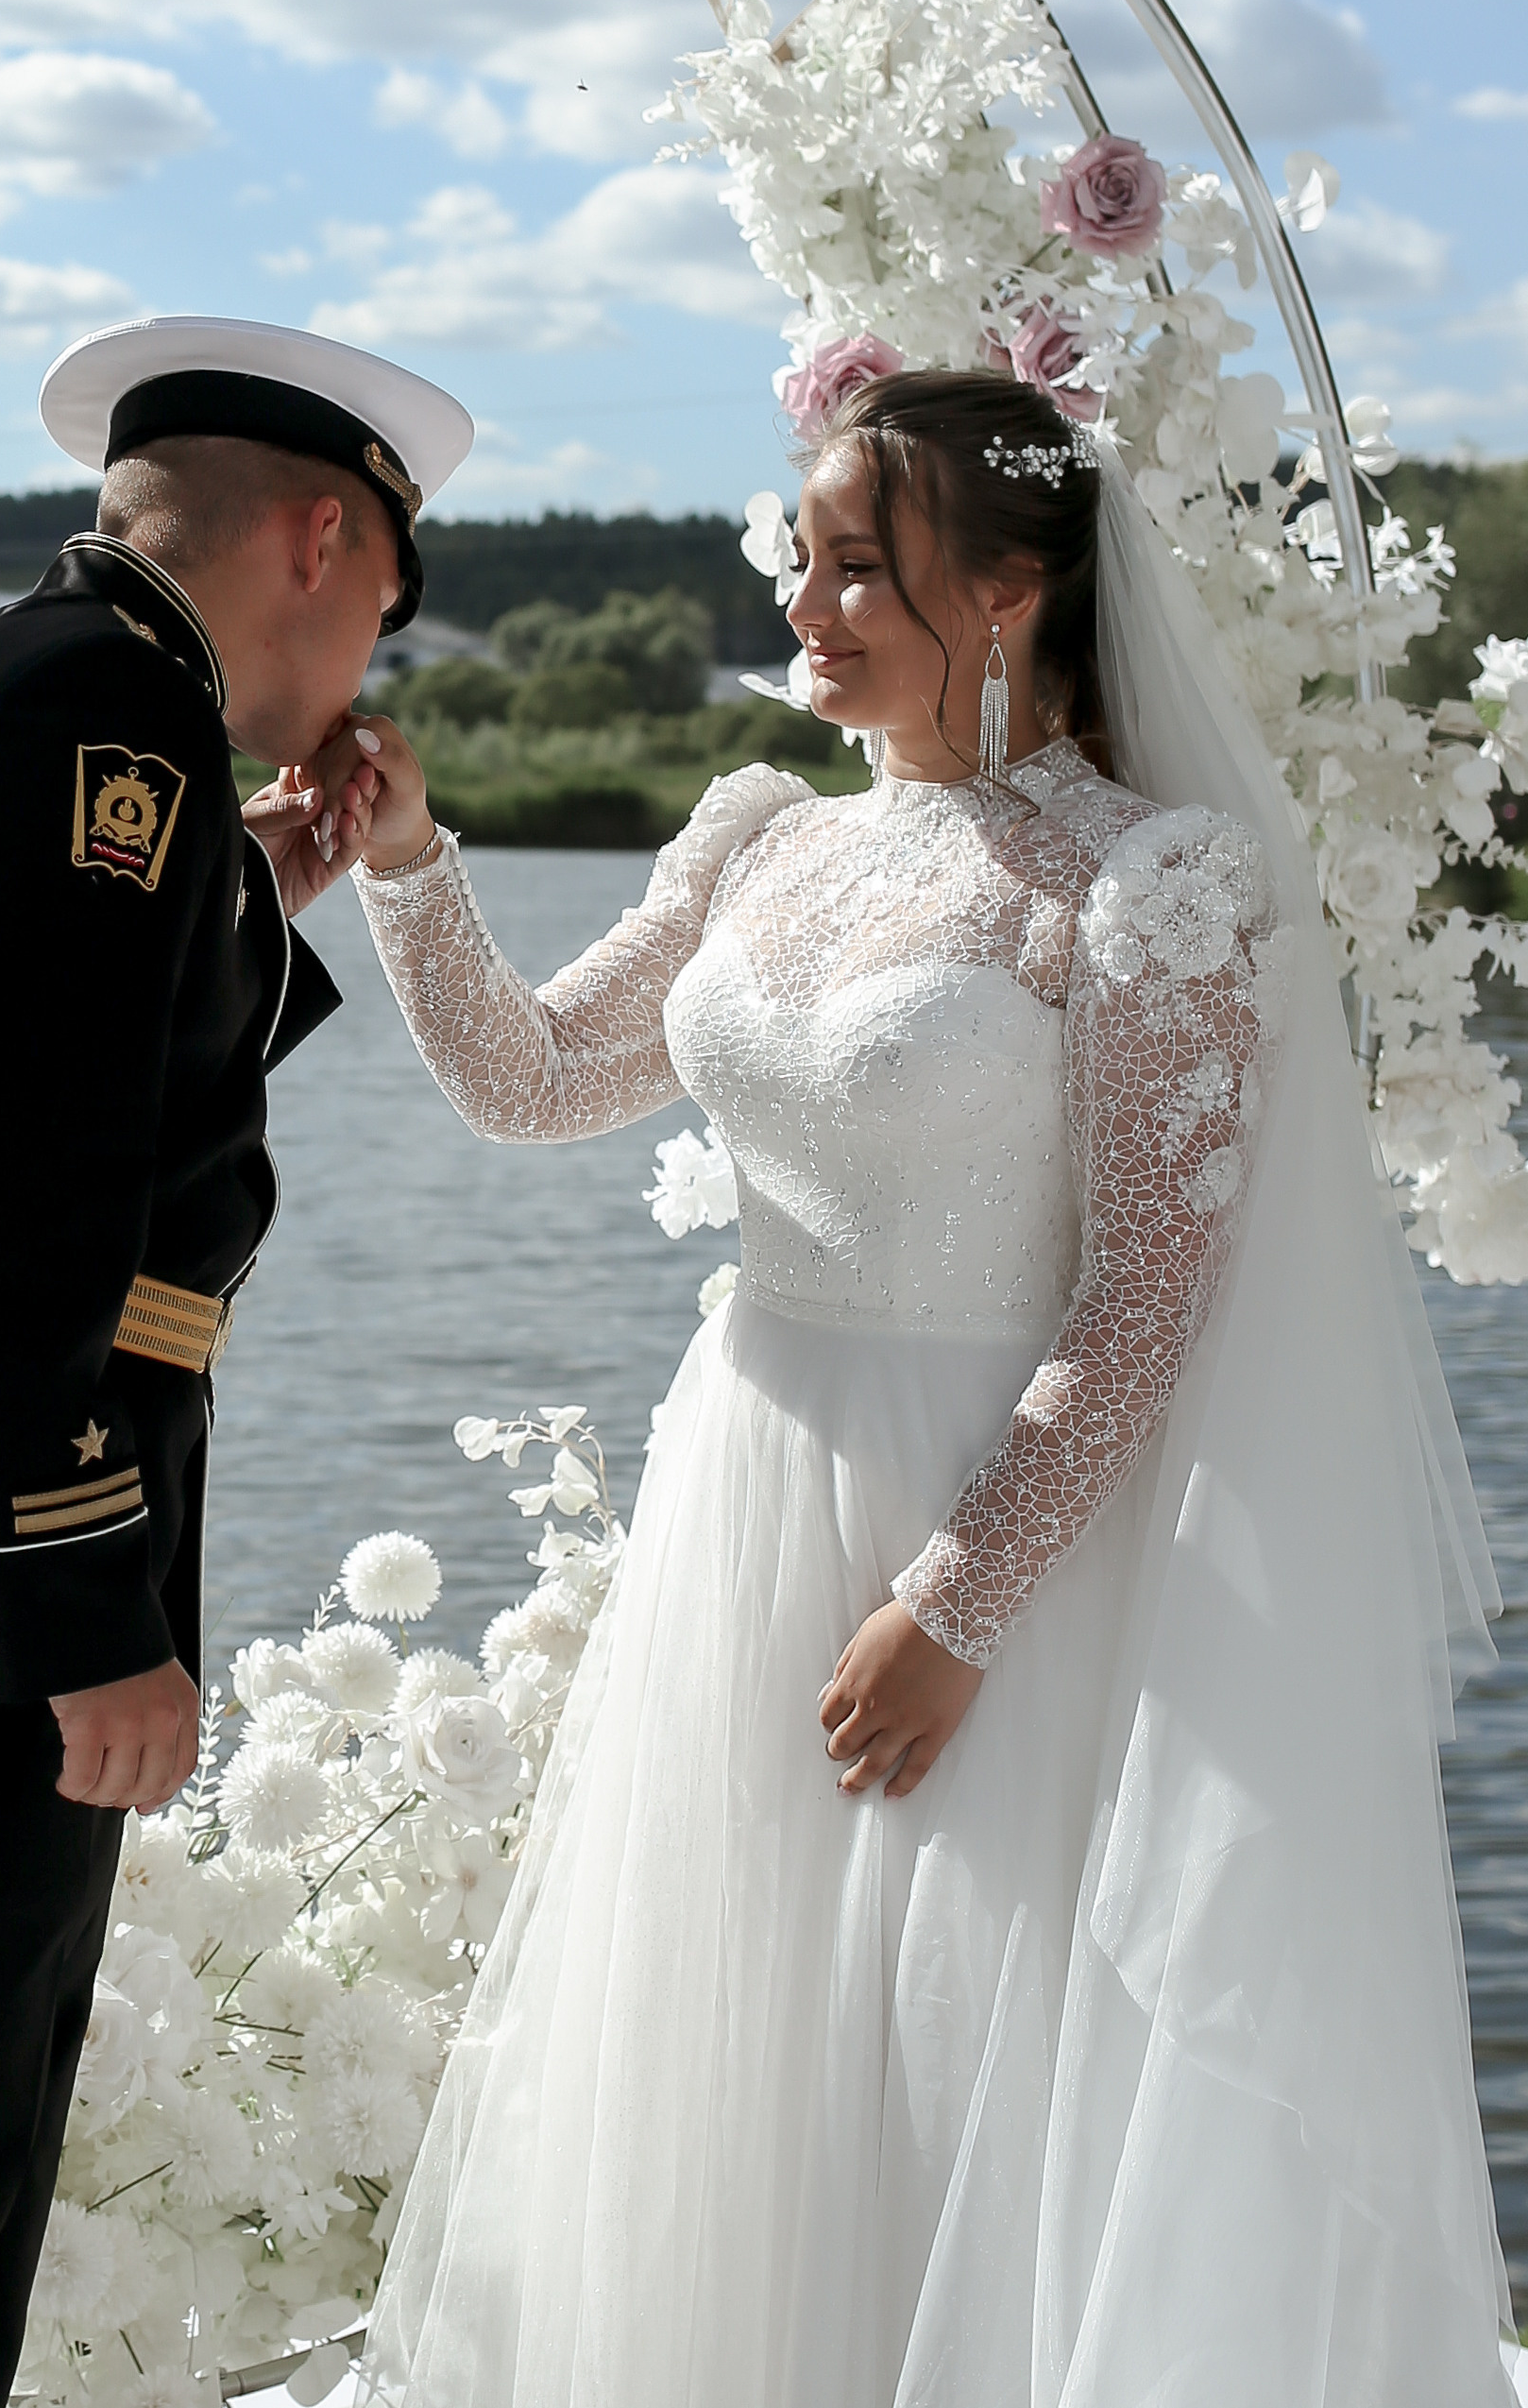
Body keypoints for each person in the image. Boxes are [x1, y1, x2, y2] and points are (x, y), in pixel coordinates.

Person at [328, 369, 1512, 2408]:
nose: (803, 602)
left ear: (1011, 588)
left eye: (859, 566)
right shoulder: (761, 838)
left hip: (1001, 1549)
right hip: (746, 1504)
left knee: (968, 2046)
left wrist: (955, 1607)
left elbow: (1149, 1290)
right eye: (801, 556)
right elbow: (534, 1078)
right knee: (740, 2047)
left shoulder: (1148, 882)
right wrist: (408, 853)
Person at [0, 314, 471, 2408]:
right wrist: (78, 1600)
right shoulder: (109, 720)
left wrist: (245, 890)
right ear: (321, 537)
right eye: (385, 601)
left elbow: (53, 1063)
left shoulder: (52, 691)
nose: (368, 661)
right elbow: (19, 1190)